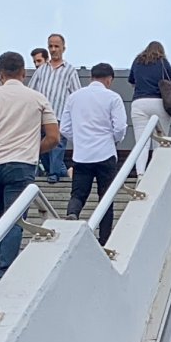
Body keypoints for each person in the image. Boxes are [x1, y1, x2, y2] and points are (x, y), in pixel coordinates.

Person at [0, 52, 59, 278]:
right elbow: (54, 137)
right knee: (16, 218)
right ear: (24, 72)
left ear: (0, 73)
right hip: (22, 164)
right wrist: (33, 149)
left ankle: (3, 259)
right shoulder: (38, 98)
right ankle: (6, 268)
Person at [62, 63, 127, 244]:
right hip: (105, 154)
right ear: (109, 79)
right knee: (106, 198)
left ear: (91, 77)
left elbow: (64, 127)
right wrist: (113, 140)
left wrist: (80, 139)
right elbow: (120, 127)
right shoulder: (113, 97)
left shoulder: (74, 97)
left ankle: (72, 215)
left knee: (77, 194)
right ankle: (104, 239)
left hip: (81, 155)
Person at [31, 34, 83, 184]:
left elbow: (76, 94)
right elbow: (32, 90)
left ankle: (54, 173)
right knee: (43, 147)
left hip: (60, 115)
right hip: (41, 116)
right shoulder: (41, 70)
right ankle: (60, 172)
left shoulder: (70, 71)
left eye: (56, 46)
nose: (53, 50)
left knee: (57, 146)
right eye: (51, 46)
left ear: (63, 48)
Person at [128, 41, 171, 177]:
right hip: (159, 103)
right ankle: (156, 175)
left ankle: (141, 175)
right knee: (160, 142)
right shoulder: (163, 62)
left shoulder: (137, 61)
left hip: (139, 103)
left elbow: (132, 81)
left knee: (142, 142)